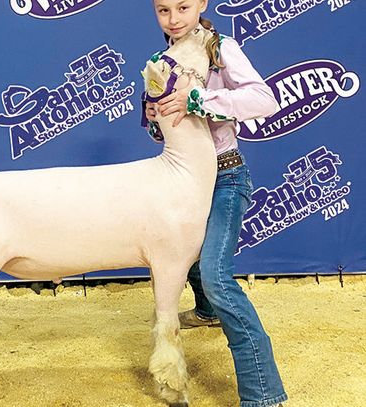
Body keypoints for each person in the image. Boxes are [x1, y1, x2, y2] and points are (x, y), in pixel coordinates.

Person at [144, 1, 288, 406]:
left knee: (217, 275)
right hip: (182, 179)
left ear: (202, 4)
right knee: (181, 253)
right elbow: (161, 134)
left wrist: (199, 100)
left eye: (183, 7)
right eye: (163, 10)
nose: (173, 18)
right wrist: (156, 116)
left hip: (225, 174)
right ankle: (206, 311)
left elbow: (264, 98)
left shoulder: (218, 47)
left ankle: (264, 393)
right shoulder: (159, 61)